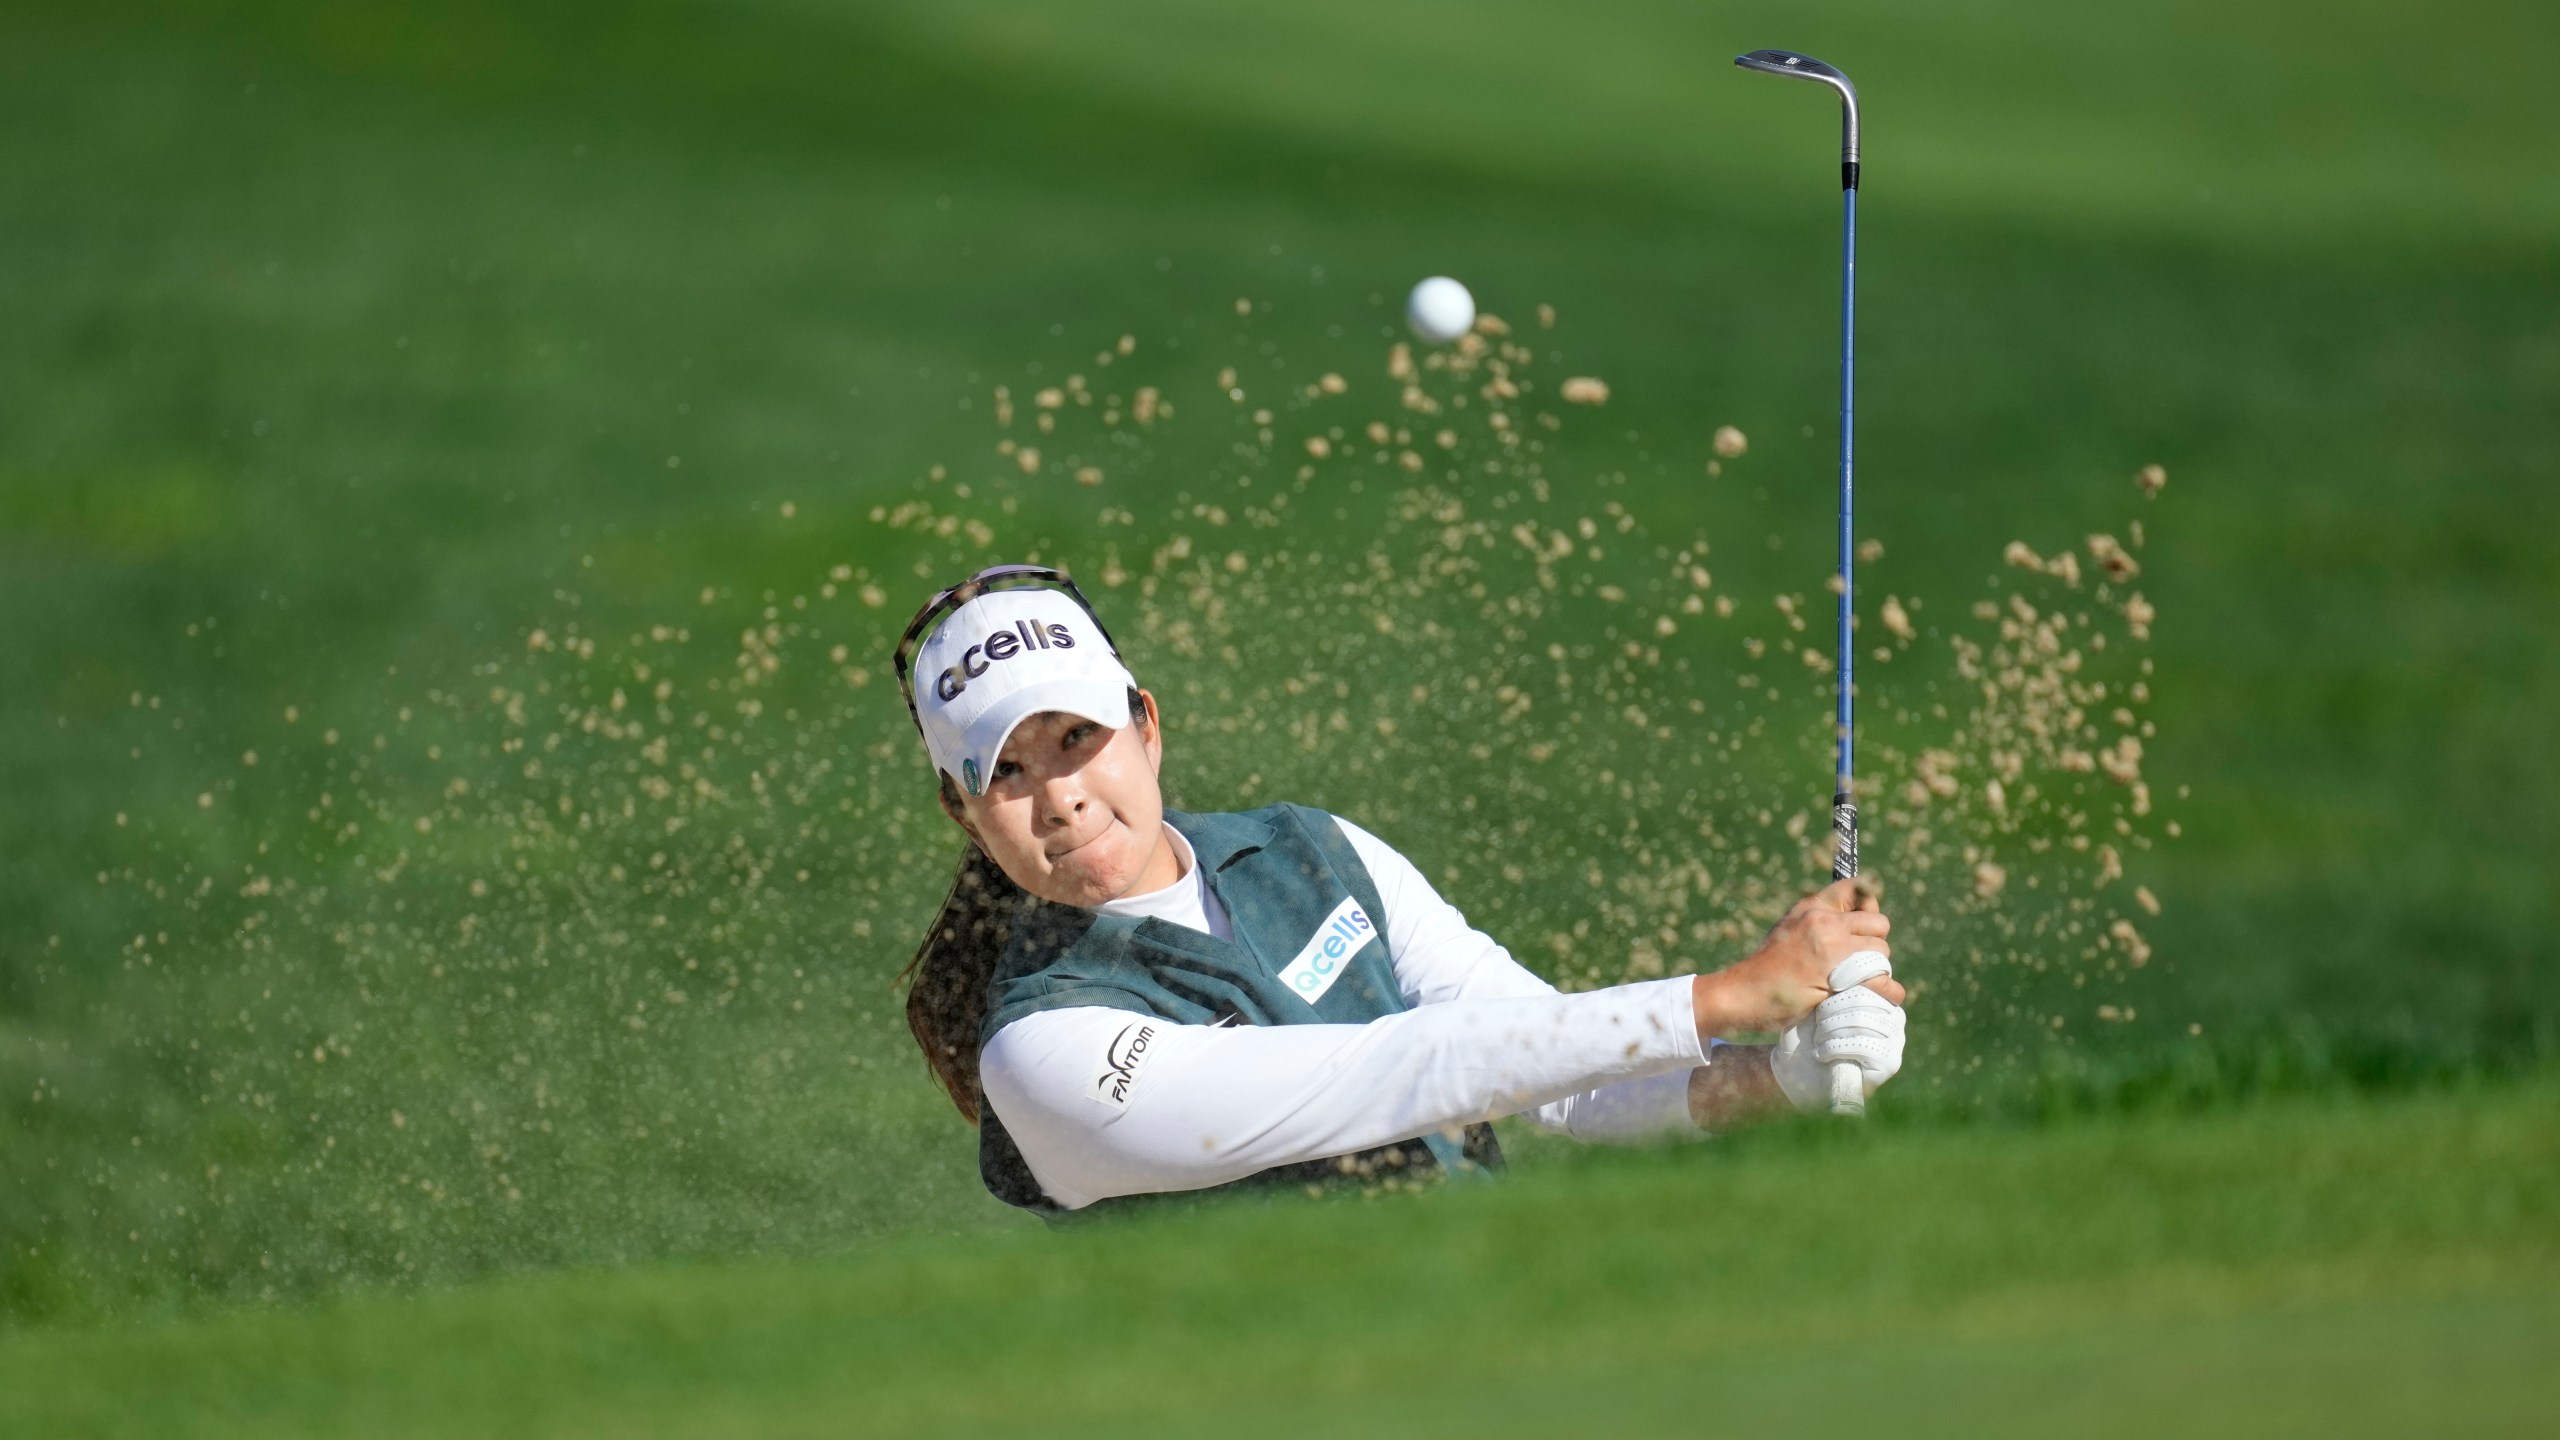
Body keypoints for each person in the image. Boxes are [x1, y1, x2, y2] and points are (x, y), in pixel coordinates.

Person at [894, 565, 1908, 1214]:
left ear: (1147, 726)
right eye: (1006, 772)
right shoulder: (1041, 1048)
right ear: (963, 812)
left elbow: (1556, 1079)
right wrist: (1724, 995)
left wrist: (1780, 1076)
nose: (1060, 798)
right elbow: (1388, 1074)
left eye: (1077, 738)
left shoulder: (1311, 852)